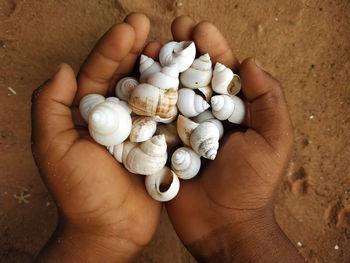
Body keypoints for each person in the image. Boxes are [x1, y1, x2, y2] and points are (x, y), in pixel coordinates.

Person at [31, 13, 305, 263]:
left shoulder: (173, 107)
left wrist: (97, 235)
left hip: (164, 120)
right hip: (156, 121)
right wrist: (237, 227)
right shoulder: (155, 110)